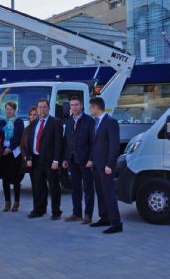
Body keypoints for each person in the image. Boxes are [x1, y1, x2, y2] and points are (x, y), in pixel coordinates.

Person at [88, 97, 123, 234]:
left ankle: (116, 223)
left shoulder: (110, 122)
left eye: (91, 107)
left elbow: (114, 146)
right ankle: (104, 218)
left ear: (96, 107)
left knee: (109, 194)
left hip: (106, 166)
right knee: (101, 193)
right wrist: (91, 159)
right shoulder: (96, 122)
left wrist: (110, 164)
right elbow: (95, 144)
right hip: (96, 165)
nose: (90, 110)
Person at [25, 98, 63, 220]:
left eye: (44, 107)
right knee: (38, 187)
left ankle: (56, 212)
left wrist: (56, 160)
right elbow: (30, 142)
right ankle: (38, 209)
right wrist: (29, 157)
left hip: (50, 161)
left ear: (49, 108)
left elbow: (59, 143)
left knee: (53, 187)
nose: (42, 109)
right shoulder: (34, 123)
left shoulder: (56, 122)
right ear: (37, 109)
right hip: (36, 160)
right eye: (40, 107)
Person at [62, 96, 96, 224]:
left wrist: (91, 159)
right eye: (72, 105)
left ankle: (88, 215)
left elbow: (94, 142)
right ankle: (77, 213)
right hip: (72, 160)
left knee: (88, 189)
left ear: (81, 106)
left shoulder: (89, 121)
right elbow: (66, 141)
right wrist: (65, 158)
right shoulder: (69, 121)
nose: (74, 107)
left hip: (85, 161)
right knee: (75, 188)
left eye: (76, 105)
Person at [0, 101, 25, 212]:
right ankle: (7, 202)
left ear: (15, 110)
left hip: (14, 153)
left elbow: (19, 137)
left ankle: (16, 202)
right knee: (5, 179)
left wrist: (10, 148)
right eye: (7, 109)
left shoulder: (19, 122)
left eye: (11, 109)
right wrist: (2, 149)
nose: (8, 111)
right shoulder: (2, 122)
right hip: (4, 154)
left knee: (16, 178)